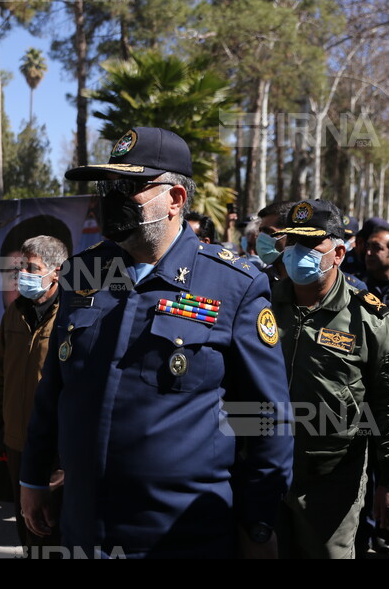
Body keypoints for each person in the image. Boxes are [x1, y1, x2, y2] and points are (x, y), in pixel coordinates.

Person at [20, 126, 294, 558]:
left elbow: (265, 418)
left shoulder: (233, 284)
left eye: (129, 187)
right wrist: (34, 477)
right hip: (84, 526)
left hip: (181, 534)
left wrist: (257, 522)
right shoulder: (83, 273)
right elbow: (54, 386)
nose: (111, 198)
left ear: (176, 199)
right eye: (108, 186)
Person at [269, 199, 389, 559]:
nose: (297, 253)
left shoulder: (367, 316)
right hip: (262, 469)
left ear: (337, 253)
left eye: (310, 245)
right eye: (292, 243)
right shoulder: (261, 300)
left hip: (331, 480)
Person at [0, 235, 68, 552]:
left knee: (50, 530)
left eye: (33, 268)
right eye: (22, 267)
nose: (24, 275)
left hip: (55, 446)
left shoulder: (71, 314)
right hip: (17, 441)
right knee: (26, 528)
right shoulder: (14, 312)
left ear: (56, 271)